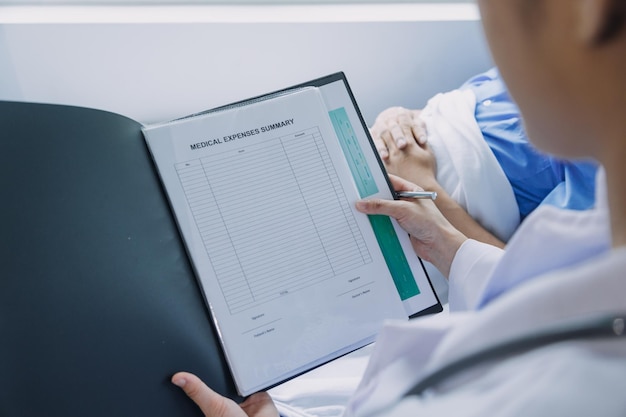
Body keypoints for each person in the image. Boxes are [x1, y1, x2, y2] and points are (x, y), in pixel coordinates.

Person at [171, 0, 626, 415]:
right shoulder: (591, 258)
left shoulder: (563, 391)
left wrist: (432, 193)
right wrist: (452, 247)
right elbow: (549, 298)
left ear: (585, 10)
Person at [369, 67, 598, 248]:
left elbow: (511, 268)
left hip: (422, 209)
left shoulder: (604, 163)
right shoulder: (552, 58)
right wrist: (396, 120)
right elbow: (445, 112)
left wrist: (423, 188)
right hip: (384, 151)